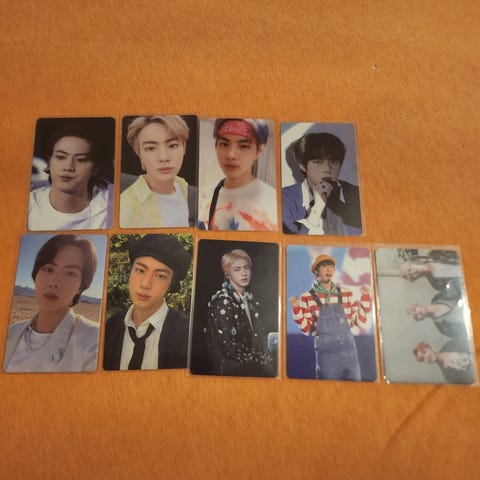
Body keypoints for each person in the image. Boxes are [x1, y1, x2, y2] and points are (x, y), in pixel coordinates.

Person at [3, 234, 99, 372]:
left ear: (81, 285)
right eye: (48, 269)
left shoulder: (94, 339)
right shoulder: (10, 333)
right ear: (35, 274)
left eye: (70, 273)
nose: (54, 282)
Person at [103, 234, 192, 370]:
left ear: (171, 284)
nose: (145, 284)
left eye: (160, 276)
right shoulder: (110, 327)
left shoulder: (187, 334)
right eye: (140, 270)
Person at [289, 254, 371, 380]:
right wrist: (296, 307)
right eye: (324, 266)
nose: (329, 269)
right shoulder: (307, 297)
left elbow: (360, 322)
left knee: (355, 390)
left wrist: (365, 297)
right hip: (327, 357)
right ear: (316, 272)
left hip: (350, 354)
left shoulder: (346, 293)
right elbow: (306, 329)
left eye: (331, 267)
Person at [28, 126, 114, 230]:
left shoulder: (113, 204)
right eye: (60, 157)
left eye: (81, 160)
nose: (68, 167)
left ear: (95, 168)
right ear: (49, 161)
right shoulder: (28, 204)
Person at [201, 118, 278, 231]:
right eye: (224, 144)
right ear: (216, 146)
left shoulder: (274, 202)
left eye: (243, 146)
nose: (230, 155)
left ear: (258, 151)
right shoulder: (202, 197)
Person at [120, 115, 197, 228]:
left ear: (184, 147)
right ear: (139, 153)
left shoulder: (182, 186)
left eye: (172, 145)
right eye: (151, 148)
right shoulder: (126, 207)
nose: (163, 157)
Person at [206, 249, 273, 376]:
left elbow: (260, 338)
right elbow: (229, 345)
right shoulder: (222, 301)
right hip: (230, 369)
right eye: (237, 269)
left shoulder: (251, 301)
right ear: (228, 274)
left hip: (252, 367)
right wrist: (259, 360)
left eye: (246, 268)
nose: (244, 273)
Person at [282, 132, 362, 235]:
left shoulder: (357, 195)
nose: (328, 169)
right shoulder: (284, 199)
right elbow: (291, 242)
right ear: (302, 165)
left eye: (333, 162)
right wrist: (316, 210)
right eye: (318, 162)